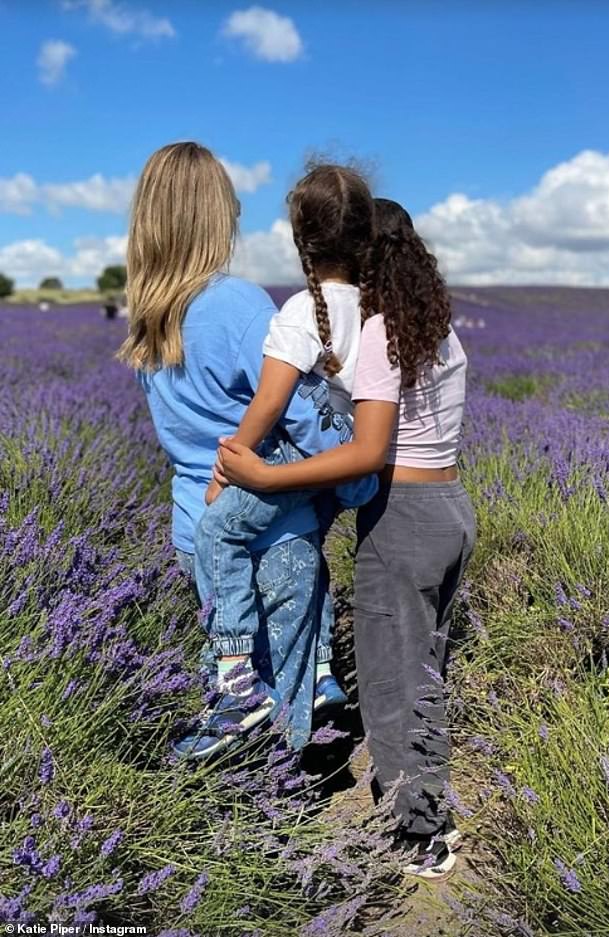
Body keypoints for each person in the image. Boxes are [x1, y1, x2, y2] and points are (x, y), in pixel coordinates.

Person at [215, 198, 476, 880]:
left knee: (392, 682)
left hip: (405, 514)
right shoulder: (439, 330)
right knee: (427, 669)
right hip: (452, 506)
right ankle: (430, 810)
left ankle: (423, 833)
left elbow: (366, 452)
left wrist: (269, 476)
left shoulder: (388, 334)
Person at [116, 142, 370, 759]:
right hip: (270, 525)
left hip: (194, 524)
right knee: (284, 702)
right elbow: (302, 410)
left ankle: (237, 816)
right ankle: (288, 826)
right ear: (217, 215)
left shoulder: (149, 316)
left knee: (236, 686)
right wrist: (356, 472)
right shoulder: (236, 304)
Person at [198, 164, 377, 729]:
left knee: (217, 531)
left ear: (300, 239)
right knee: (312, 552)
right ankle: (323, 670)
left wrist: (229, 466)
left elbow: (270, 403)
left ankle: (235, 680)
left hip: (297, 460)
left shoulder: (302, 311)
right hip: (344, 469)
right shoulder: (373, 311)